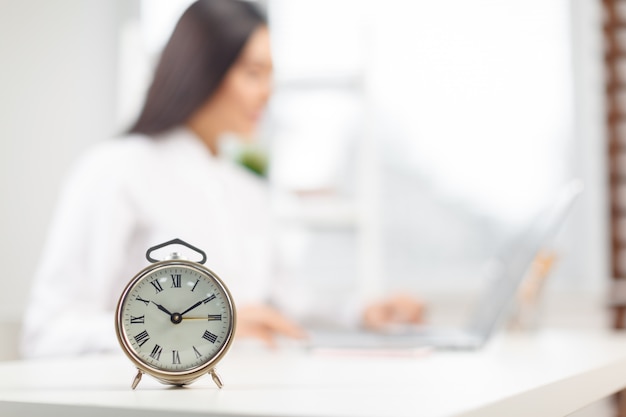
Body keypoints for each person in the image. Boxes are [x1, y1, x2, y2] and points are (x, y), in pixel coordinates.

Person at [20, 0, 423, 358]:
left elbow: (283, 306)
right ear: (202, 71)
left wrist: (361, 314)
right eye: (253, 73)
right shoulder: (115, 170)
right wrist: (200, 328)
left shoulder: (246, 180)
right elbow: (48, 332)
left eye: (270, 75)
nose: (268, 92)